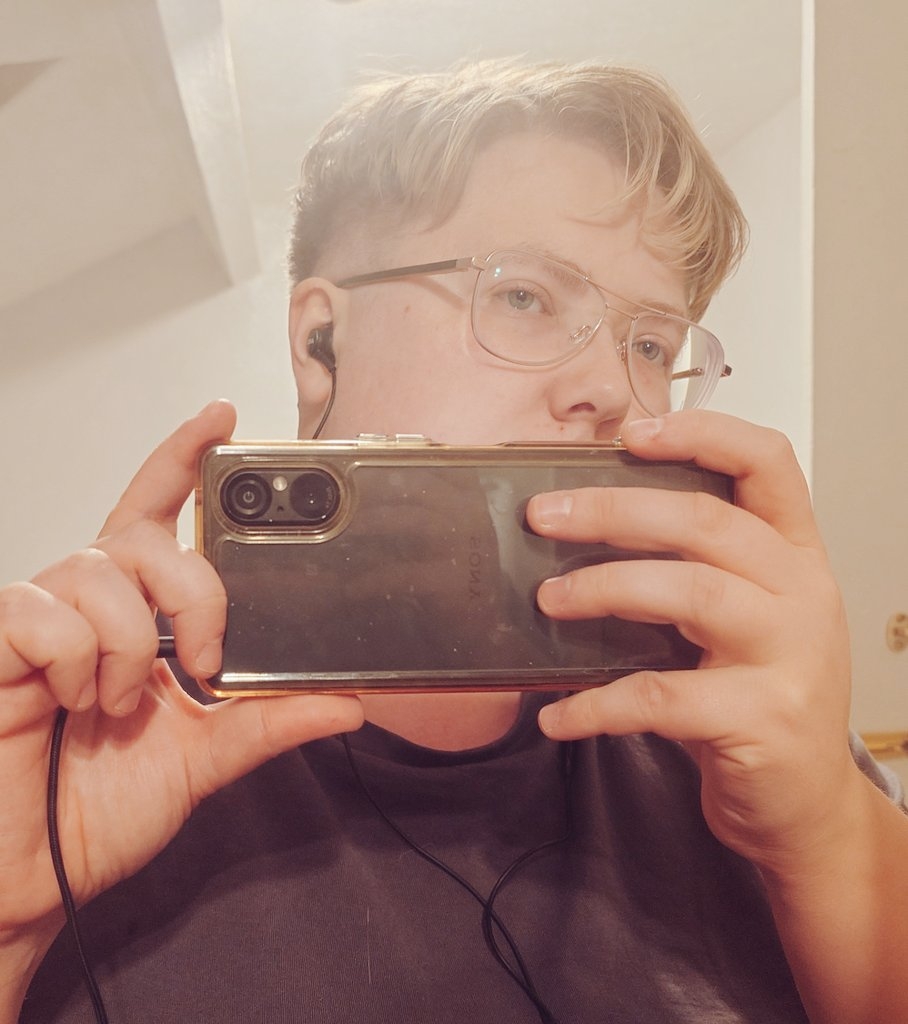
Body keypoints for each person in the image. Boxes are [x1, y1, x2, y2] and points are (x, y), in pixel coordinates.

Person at [4, 59, 907, 1024]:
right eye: (525, 297)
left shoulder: (734, 714)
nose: (612, 387)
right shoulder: (84, 746)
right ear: (321, 343)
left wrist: (829, 834)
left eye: (652, 345)